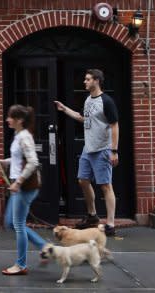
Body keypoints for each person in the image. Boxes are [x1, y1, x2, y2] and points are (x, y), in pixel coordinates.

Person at [54, 68, 120, 235]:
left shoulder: (107, 101)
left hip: (102, 149)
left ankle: (110, 224)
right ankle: (92, 215)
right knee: (83, 180)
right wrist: (64, 109)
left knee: (105, 185)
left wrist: (114, 150)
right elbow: (83, 118)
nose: (85, 82)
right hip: (88, 148)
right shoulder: (88, 100)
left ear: (97, 80)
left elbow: (114, 125)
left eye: (88, 79)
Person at [0, 104, 48, 276]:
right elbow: (19, 157)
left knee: (17, 224)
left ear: (19, 120)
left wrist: (18, 182)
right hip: (19, 186)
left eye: (10, 117)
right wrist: (7, 161)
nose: (7, 119)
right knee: (11, 223)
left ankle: (21, 265)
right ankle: (45, 247)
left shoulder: (24, 136)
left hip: (24, 187)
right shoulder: (18, 134)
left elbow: (33, 162)